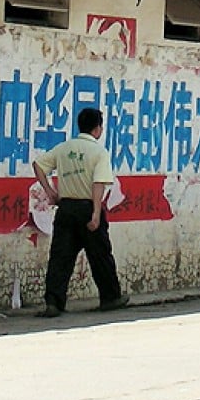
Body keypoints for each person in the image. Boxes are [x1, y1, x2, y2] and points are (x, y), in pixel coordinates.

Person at [32, 107, 128, 317]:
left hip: (66, 208)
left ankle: (53, 302)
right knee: (101, 255)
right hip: (87, 207)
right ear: (97, 128)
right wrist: (95, 214)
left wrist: (50, 192)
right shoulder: (99, 153)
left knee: (60, 258)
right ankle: (110, 297)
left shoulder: (64, 148)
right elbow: (98, 185)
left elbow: (38, 165)